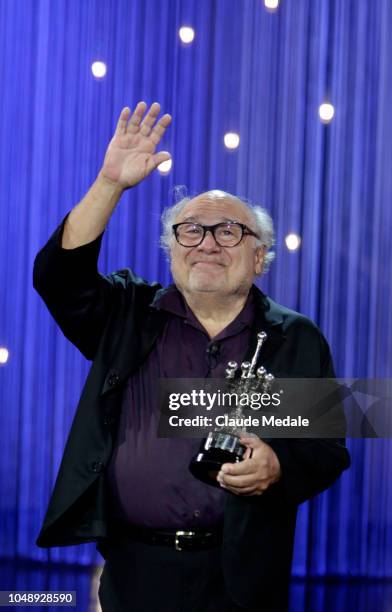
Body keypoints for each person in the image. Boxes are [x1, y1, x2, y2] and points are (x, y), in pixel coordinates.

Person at [33, 102, 350, 612]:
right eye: (190, 230)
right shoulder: (128, 313)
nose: (207, 243)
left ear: (259, 256)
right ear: (172, 248)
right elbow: (58, 277)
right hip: (134, 571)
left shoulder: (295, 337)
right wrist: (110, 183)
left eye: (229, 232)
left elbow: (326, 450)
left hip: (242, 574)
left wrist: (278, 465)